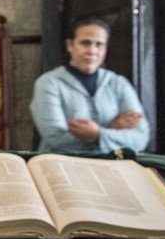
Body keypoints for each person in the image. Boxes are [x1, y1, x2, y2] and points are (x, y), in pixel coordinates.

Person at [30, 18, 150, 153]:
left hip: (112, 168)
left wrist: (98, 134)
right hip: (61, 166)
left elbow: (140, 138)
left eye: (99, 44)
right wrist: (111, 131)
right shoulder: (48, 83)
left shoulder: (119, 83)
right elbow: (56, 138)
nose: (92, 51)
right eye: (85, 43)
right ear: (70, 45)